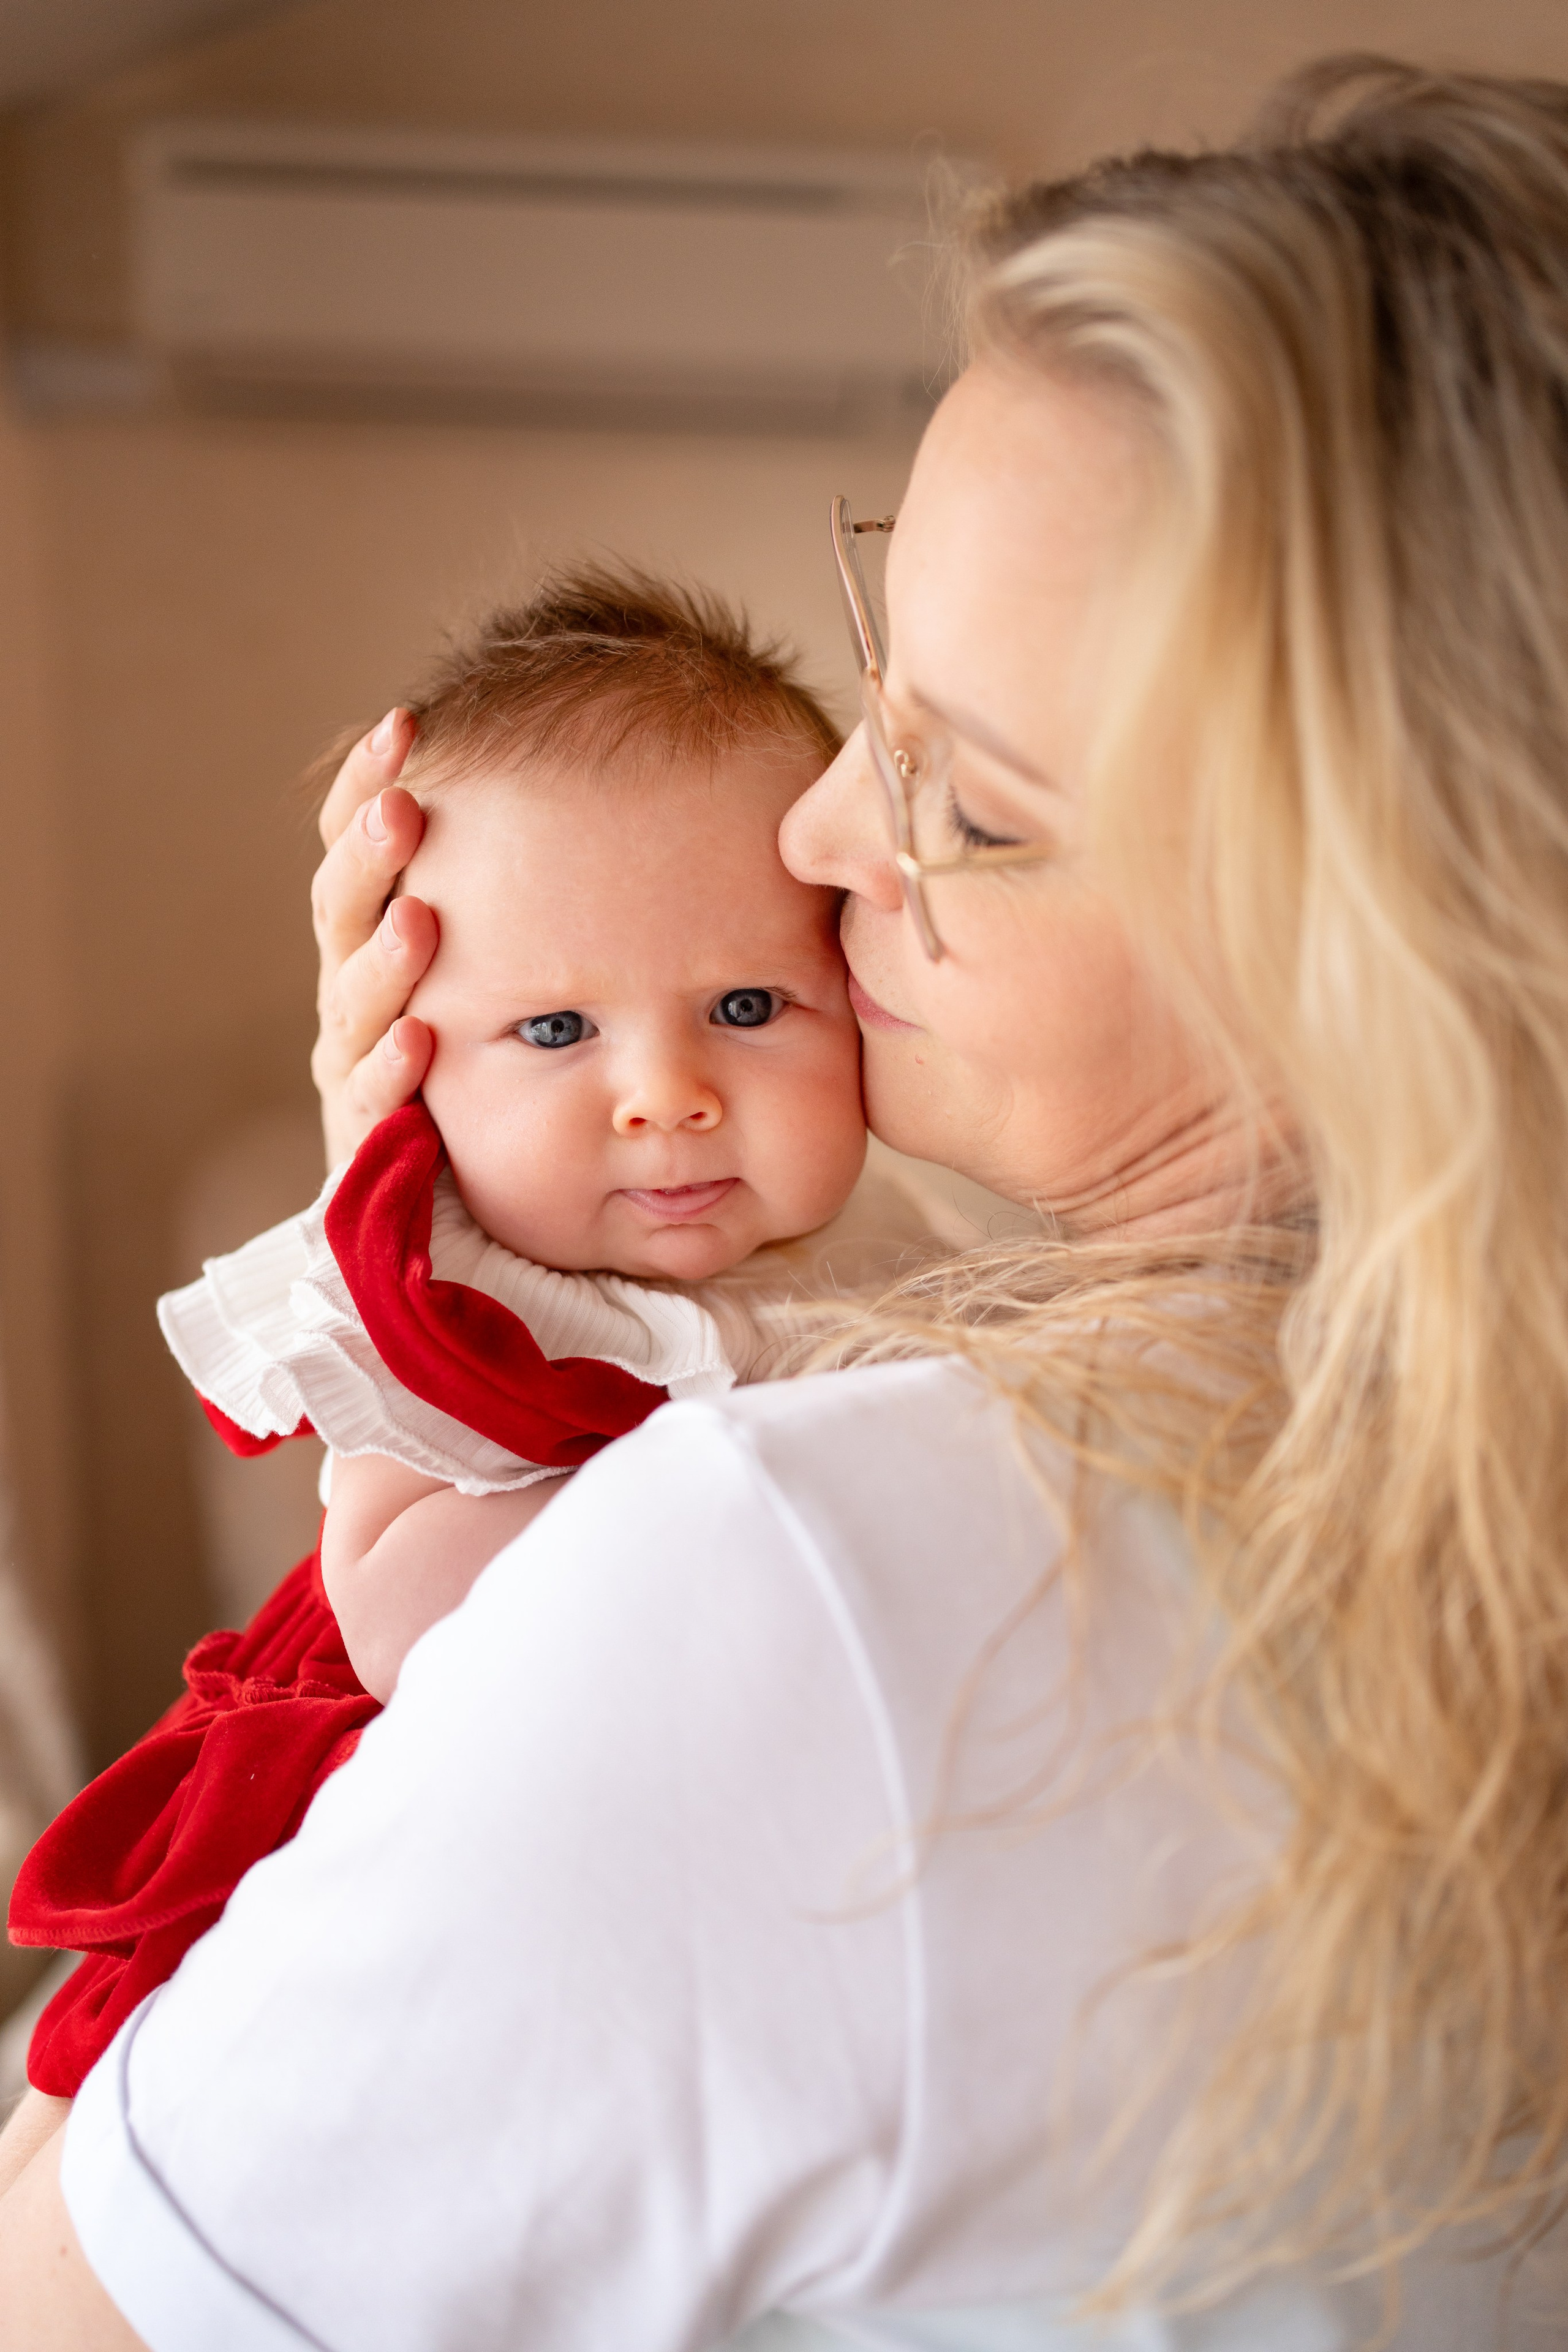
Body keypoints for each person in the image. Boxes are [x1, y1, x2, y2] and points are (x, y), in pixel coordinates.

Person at [4, 53, 1568, 2349]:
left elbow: (78, 2298)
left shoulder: (825, 1584)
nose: (827, 833)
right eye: (875, 691)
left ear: (1390, 935)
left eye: (978, 802)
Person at [7, 570, 919, 2117]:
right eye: (557, 1031)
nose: (667, 1095)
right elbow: (386, 1605)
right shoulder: (454, 1298)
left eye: (748, 1004)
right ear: (413, 1067)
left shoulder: (870, 1260)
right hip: (393, 1817)